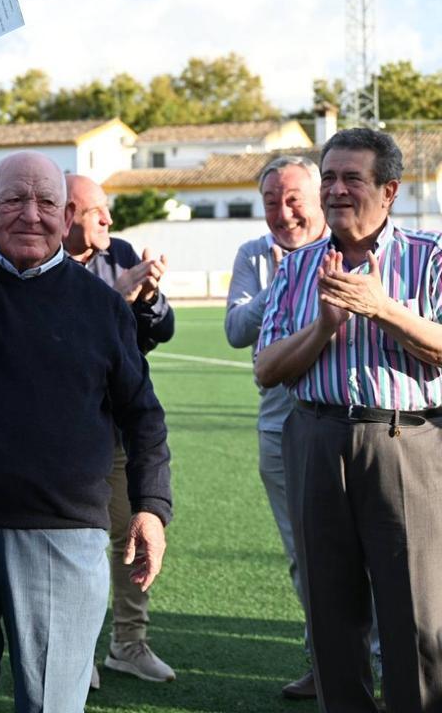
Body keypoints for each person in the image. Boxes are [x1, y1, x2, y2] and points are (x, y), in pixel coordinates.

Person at [0, 34, 171, 712]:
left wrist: (152, 507)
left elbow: (143, 415)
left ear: (67, 216)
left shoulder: (103, 307)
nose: (32, 214)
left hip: (62, 538)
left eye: (48, 203)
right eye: (13, 200)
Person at [255, 128, 442, 712]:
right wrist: (324, 327)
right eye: (329, 178)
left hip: (404, 442)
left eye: (351, 178)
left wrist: (380, 308)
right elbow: (267, 368)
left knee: (416, 619)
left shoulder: (429, 255)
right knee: (331, 612)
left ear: (389, 190)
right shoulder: (296, 268)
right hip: (315, 436)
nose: (335, 190)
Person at [225, 155, 353, 701]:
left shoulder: (352, 250)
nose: (284, 211)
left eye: (293, 198)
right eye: (271, 201)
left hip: (351, 424)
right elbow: (235, 329)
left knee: (371, 550)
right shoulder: (255, 256)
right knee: (306, 554)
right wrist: (279, 286)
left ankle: (377, 659)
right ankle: (325, 663)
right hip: (281, 430)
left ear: (319, 196)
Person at [62, 174, 175, 688]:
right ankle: (75, 649)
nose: (109, 220)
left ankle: (128, 644)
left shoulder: (121, 252)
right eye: (96, 211)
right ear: (67, 214)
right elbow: (61, 337)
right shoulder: (38, 260)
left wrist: (149, 297)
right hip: (61, 431)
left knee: (132, 535)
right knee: (70, 541)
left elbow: (159, 330)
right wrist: (119, 294)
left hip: (120, 422)